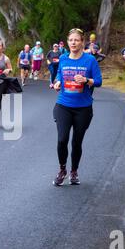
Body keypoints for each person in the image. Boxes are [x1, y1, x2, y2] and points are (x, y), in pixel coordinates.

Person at [52, 28, 102, 186]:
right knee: (62, 139)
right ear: (68, 42)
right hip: (63, 105)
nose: (73, 43)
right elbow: (59, 74)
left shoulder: (90, 60)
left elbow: (99, 81)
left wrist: (86, 80)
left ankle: (74, 171)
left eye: (77, 40)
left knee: (76, 142)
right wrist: (58, 82)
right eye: (71, 40)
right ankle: (62, 170)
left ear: (82, 42)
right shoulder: (63, 58)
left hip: (83, 108)